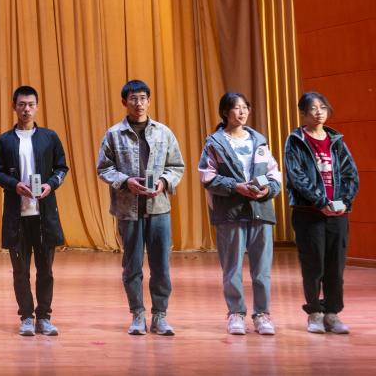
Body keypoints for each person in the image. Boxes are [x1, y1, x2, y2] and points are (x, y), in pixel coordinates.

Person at [96, 79, 184, 336]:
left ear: (149, 101)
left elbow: (176, 166)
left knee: (161, 266)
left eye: (143, 98)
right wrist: (126, 182)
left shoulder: (164, 132)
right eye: (134, 98)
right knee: (132, 265)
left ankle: (159, 316)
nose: (139, 103)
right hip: (128, 209)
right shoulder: (114, 134)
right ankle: (137, 314)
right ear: (125, 102)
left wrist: (163, 182)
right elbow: (104, 168)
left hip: (159, 208)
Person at [198, 92, 281, 336]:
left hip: (260, 210)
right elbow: (207, 176)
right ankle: (236, 313)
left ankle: (262, 314)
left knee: (262, 268)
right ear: (225, 112)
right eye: (236, 108)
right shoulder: (214, 143)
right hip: (230, 212)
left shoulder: (259, 140)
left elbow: (274, 174)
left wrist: (268, 189)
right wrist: (235, 186)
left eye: (245, 107)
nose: (242, 112)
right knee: (232, 267)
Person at [0, 85, 69, 337]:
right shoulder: (4, 140)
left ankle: (44, 317)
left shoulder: (49, 137)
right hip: (17, 216)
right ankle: (26, 317)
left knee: (45, 270)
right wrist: (15, 185)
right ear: (14, 106)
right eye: (22, 104)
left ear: (37, 107)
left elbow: (62, 168)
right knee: (20, 271)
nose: (26, 109)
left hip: (44, 215)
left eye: (31, 105)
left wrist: (50, 185)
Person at [284, 92, 359, 334]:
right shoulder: (295, 140)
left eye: (323, 107)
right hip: (309, 213)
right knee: (313, 265)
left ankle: (332, 313)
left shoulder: (336, 140)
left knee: (335, 267)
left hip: (337, 214)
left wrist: (344, 201)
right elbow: (296, 176)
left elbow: (350, 175)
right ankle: (314, 313)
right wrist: (321, 201)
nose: (319, 112)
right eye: (313, 108)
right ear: (303, 113)